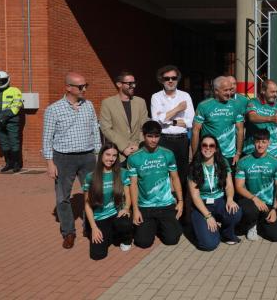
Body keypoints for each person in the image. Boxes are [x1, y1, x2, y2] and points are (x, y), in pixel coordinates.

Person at [43, 72, 101, 249]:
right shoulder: (53, 109)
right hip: (64, 158)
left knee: (92, 193)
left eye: (85, 85)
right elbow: (47, 138)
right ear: (68, 87)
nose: (84, 89)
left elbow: (95, 130)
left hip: (87, 156)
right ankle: (68, 232)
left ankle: (89, 227)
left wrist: (98, 154)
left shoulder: (88, 105)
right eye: (80, 86)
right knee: (63, 197)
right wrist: (50, 163)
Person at [128, 120, 184, 248]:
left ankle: (162, 224)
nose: (154, 140)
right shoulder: (134, 158)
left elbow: (175, 178)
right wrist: (135, 210)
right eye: (150, 136)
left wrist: (180, 201)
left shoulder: (168, 154)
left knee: (172, 240)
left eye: (156, 136)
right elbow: (133, 185)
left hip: (165, 205)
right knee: (143, 243)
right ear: (144, 135)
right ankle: (153, 225)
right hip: (145, 206)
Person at [150, 65, 194, 224]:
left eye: (173, 78)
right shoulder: (156, 97)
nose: (170, 81)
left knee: (181, 176)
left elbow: (190, 121)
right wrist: (177, 109)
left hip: (181, 140)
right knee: (163, 175)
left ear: (178, 79)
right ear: (161, 79)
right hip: (164, 140)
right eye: (167, 78)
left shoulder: (185, 96)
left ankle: (182, 215)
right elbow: (157, 121)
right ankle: (164, 213)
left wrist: (170, 119)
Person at [188, 135, 242, 251]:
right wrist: (208, 216)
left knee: (235, 212)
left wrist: (230, 199)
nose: (208, 148)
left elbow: (229, 186)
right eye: (204, 145)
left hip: (218, 201)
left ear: (216, 148)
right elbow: (195, 196)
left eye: (211, 145)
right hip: (201, 205)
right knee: (209, 245)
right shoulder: (194, 166)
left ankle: (226, 233)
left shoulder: (222, 163)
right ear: (200, 147)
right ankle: (204, 229)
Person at [83, 143, 134, 260]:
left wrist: (126, 208)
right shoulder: (90, 177)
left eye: (114, 156)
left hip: (116, 214)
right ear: (101, 155)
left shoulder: (122, 173)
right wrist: (94, 228)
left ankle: (126, 239)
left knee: (125, 224)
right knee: (97, 255)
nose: (111, 158)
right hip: (99, 218)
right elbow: (87, 205)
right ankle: (111, 235)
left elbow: (128, 195)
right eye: (108, 155)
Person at [234, 129, 277, 242]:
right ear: (253, 141)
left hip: (267, 204)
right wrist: (254, 198)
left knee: (275, 236)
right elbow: (239, 187)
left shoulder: (276, 163)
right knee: (251, 211)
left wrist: (275, 209)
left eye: (264, 142)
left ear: (269, 143)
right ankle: (251, 225)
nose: (260, 145)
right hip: (249, 201)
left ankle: (259, 223)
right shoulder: (243, 161)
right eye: (258, 141)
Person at [191, 76, 244, 167]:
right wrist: (196, 155)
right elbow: (195, 131)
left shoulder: (236, 105)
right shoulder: (203, 106)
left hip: (229, 155)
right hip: (209, 153)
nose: (229, 93)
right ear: (216, 91)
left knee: (228, 181)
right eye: (225, 90)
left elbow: (240, 130)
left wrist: (238, 153)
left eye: (230, 90)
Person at [100, 71, 148, 165]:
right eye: (129, 83)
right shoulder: (107, 103)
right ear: (119, 84)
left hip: (138, 152)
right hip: (118, 154)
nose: (133, 86)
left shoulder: (141, 102)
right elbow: (106, 129)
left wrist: (138, 145)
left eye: (134, 83)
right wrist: (124, 146)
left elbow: (144, 126)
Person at [243, 80, 277, 158]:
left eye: (276, 92)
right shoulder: (253, 102)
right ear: (263, 91)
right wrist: (270, 118)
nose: (275, 95)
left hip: (272, 152)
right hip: (252, 150)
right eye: (272, 92)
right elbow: (252, 117)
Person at [0, 71, 23, 172]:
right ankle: (9, 163)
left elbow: (16, 105)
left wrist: (4, 116)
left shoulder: (15, 91)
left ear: (7, 80)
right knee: (3, 143)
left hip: (11, 120)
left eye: (2, 81)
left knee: (14, 142)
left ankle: (17, 164)